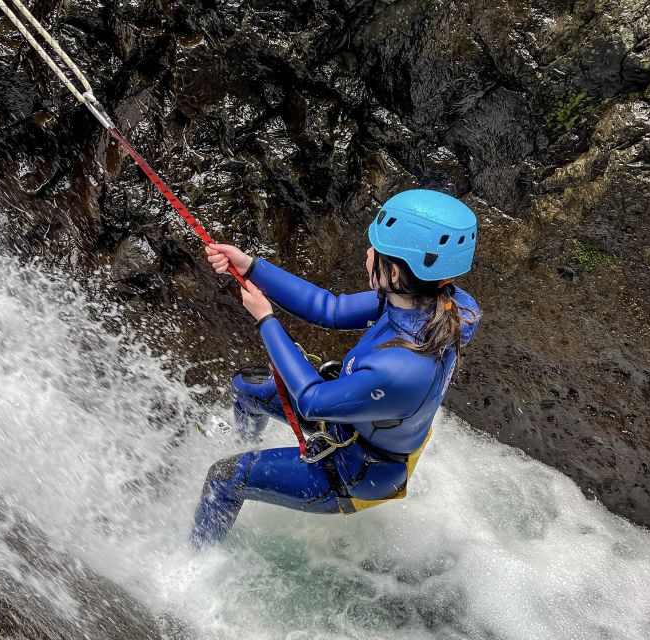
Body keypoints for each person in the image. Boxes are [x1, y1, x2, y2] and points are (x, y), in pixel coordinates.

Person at [190, 189, 480, 547]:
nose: (368, 253)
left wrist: (265, 319)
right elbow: (330, 308)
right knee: (245, 386)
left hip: (353, 473)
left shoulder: (403, 368)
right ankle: (244, 443)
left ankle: (191, 564)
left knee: (223, 477)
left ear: (401, 271)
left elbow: (312, 400)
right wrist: (251, 266)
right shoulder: (434, 301)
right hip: (353, 420)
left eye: (378, 251)